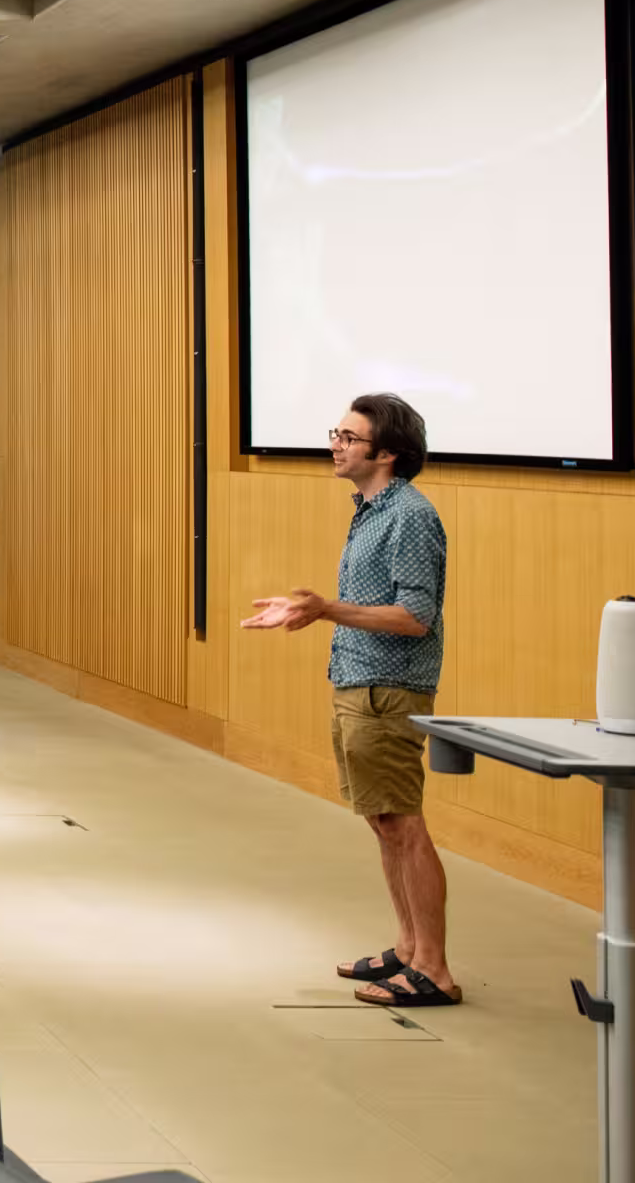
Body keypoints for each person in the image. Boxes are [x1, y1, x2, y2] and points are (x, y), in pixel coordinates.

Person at [242, 393, 458, 1008]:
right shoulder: (369, 510)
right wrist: (317, 613)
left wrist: (325, 610)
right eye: (335, 432)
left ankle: (435, 971)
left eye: (349, 436)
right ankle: (409, 947)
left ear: (387, 452)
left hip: (388, 688)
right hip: (358, 680)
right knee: (384, 821)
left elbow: (417, 616)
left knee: (404, 824)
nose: (335, 443)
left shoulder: (409, 515)